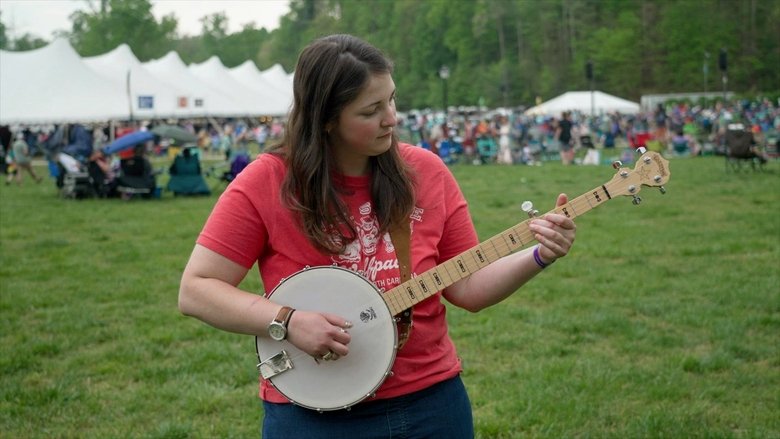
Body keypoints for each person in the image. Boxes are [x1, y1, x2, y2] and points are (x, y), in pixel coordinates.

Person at [178, 34, 576, 439]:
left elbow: (467, 287)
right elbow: (196, 289)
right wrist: (287, 321)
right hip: (312, 412)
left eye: (391, 100)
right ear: (326, 119)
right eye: (371, 110)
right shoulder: (267, 181)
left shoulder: (426, 171)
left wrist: (539, 256)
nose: (392, 118)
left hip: (431, 405)